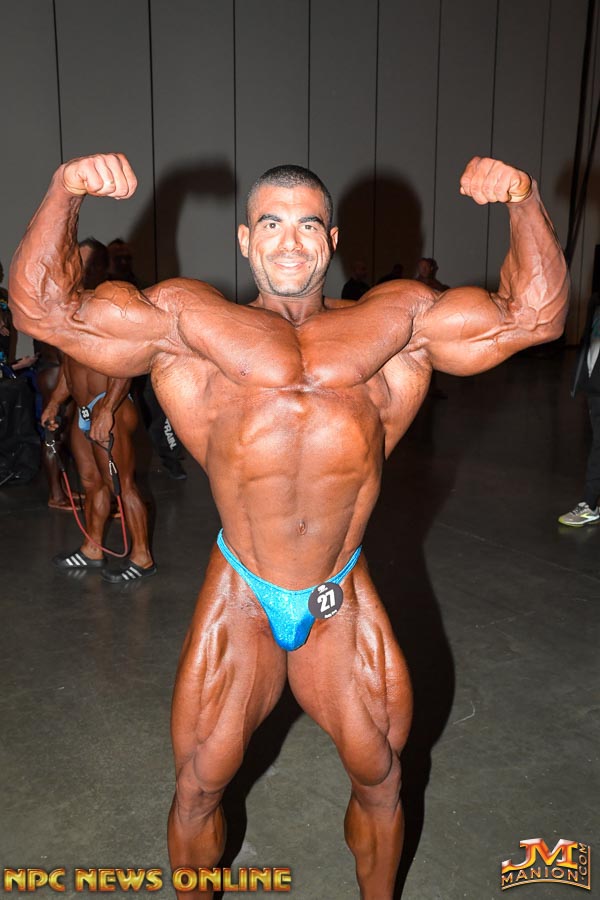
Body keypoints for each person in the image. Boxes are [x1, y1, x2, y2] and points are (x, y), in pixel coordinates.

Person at [9, 152, 568, 899]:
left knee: (381, 779)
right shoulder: (186, 321)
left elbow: (535, 316)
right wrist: (64, 191)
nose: (290, 241)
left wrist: (523, 201)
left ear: (331, 240)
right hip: (242, 589)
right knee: (199, 785)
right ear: (246, 239)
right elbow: (43, 312)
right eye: (271, 224)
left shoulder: (397, 320)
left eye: (308, 225)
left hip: (339, 590)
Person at [41, 237, 156, 582]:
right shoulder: (70, 310)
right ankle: (92, 549)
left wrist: (107, 409)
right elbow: (69, 369)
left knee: (124, 485)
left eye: (82, 263)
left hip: (111, 407)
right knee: (92, 483)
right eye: (72, 263)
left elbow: (126, 362)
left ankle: (142, 556)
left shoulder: (110, 306)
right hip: (82, 410)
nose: (74, 269)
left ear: (99, 267)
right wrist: (55, 402)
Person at [107, 237, 187, 480]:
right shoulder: (102, 292)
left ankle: (171, 460)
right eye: (118, 258)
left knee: (160, 414)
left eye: (127, 258)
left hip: (146, 364)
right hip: (114, 368)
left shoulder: (143, 290)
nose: (123, 262)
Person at [558, 291, 600, 526]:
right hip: (595, 387)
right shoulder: (595, 302)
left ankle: (590, 504)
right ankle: (590, 505)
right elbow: (587, 342)